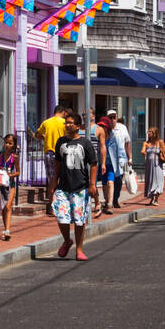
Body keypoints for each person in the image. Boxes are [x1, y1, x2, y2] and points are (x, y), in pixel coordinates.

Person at [52, 112, 98, 260]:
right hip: (63, 188)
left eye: (70, 123)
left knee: (79, 220)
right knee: (61, 218)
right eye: (66, 122)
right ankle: (67, 240)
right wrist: (54, 182)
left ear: (78, 126)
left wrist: (92, 184)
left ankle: (79, 249)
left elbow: (93, 164)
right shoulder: (60, 142)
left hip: (80, 187)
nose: (67, 125)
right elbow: (57, 163)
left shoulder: (85, 143)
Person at [37, 105, 71, 212]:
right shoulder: (64, 123)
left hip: (48, 153)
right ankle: (59, 204)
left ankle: (51, 205)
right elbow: (69, 137)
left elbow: (37, 134)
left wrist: (45, 138)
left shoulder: (46, 122)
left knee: (51, 179)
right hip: (60, 153)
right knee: (61, 179)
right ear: (63, 112)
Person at [0, 133, 20, 240]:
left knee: (8, 206)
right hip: (1, 184)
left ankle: (8, 230)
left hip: (11, 184)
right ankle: (5, 228)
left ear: (13, 145)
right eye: (6, 143)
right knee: (4, 208)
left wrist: (9, 175)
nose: (7, 145)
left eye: (10, 143)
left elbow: (18, 172)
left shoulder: (15, 157)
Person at [87, 111, 109, 216]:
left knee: (92, 184)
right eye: (83, 114)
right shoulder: (79, 128)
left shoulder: (98, 129)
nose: (85, 116)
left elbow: (103, 146)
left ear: (93, 116)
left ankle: (97, 203)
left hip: (92, 162)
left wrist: (103, 163)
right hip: (79, 161)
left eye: (88, 113)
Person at [109, 111, 131, 208]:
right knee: (109, 181)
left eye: (114, 117)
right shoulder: (105, 128)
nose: (112, 119)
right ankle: (108, 200)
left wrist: (130, 157)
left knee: (118, 181)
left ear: (117, 118)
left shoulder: (122, 128)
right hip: (109, 159)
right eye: (110, 117)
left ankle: (115, 199)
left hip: (120, 160)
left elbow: (127, 143)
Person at [142, 127, 165, 205]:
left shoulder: (160, 142)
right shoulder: (146, 143)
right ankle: (152, 199)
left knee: (158, 182)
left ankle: (155, 199)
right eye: (148, 131)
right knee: (150, 181)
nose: (149, 133)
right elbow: (143, 150)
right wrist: (143, 152)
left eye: (150, 132)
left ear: (154, 133)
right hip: (149, 166)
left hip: (157, 165)